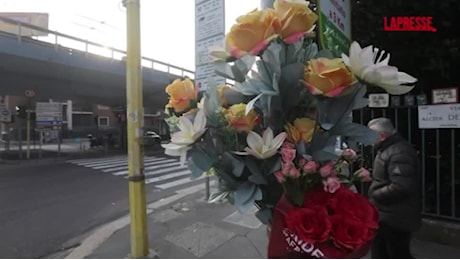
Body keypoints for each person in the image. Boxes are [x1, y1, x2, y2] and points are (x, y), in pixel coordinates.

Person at [367, 117, 421, 259]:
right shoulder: (388, 149)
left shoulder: (399, 152)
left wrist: (375, 194)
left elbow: (400, 185)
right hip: (387, 215)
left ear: (382, 135)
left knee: (396, 253)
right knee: (382, 252)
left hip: (396, 217)